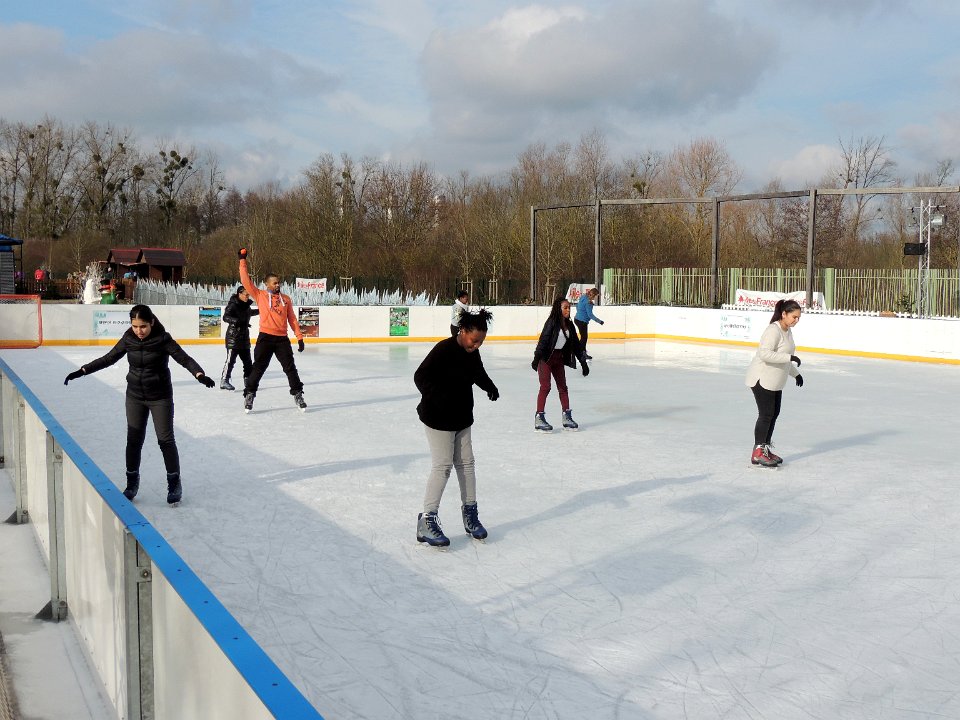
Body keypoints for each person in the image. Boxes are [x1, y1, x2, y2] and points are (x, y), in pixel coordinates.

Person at [63, 304, 216, 504]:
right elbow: (109, 358)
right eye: (135, 326)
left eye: (143, 326)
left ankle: (174, 483)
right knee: (134, 440)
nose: (139, 331)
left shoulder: (163, 339)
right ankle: (131, 483)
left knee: (165, 440)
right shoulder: (128, 338)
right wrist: (82, 371)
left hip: (160, 396)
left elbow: (184, 359)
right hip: (135, 396)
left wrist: (199, 374)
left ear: (151, 322)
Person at [414, 308, 499, 547]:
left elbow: (477, 373)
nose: (476, 346)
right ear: (462, 331)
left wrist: (489, 386)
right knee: (442, 466)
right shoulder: (443, 350)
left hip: (461, 417)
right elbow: (420, 376)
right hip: (438, 418)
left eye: (481, 342)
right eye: (474, 341)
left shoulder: (472, 353)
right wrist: (437, 398)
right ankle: (427, 519)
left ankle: (470, 514)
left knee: (467, 464)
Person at [238, 248, 306, 412]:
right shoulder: (260, 295)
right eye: (274, 283)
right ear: (267, 284)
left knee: (290, 368)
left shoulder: (286, 299)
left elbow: (292, 319)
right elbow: (245, 281)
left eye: (279, 282)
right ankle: (250, 394)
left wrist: (299, 337)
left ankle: (298, 394)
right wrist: (242, 260)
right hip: (266, 338)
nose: (278, 285)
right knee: (258, 368)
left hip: (282, 339)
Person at [744, 298, 803, 467]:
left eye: (798, 318)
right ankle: (758, 453)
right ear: (784, 314)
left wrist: (796, 374)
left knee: (773, 414)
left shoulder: (787, 331)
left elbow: (783, 359)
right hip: (762, 378)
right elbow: (764, 354)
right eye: (794, 317)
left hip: (775, 380)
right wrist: (789, 357)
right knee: (766, 415)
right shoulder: (773, 330)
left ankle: (764, 449)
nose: (796, 320)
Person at [532, 297, 590, 432]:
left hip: (558, 359)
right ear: (559, 309)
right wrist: (536, 358)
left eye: (569, 307)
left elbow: (576, 345)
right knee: (546, 387)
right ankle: (539, 418)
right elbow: (543, 340)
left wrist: (583, 362)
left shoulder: (569, 325)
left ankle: (567, 417)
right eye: (565, 308)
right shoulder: (552, 322)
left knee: (563, 387)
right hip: (546, 358)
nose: (568, 310)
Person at [220, 285, 259, 391]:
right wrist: (237, 321)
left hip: (244, 338)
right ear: (239, 294)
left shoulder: (246, 306)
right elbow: (225, 317)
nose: (247, 297)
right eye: (245, 294)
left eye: (248, 295)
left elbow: (250, 313)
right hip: (233, 337)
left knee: (248, 362)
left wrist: (261, 310)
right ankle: (224, 381)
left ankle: (248, 380)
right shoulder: (233, 305)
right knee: (230, 361)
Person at [573, 287, 604, 359]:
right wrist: (599, 321)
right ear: (593, 295)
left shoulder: (583, 297)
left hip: (577, 319)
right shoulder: (588, 303)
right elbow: (590, 315)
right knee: (584, 338)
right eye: (596, 296)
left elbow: (577, 306)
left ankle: (581, 351)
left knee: (583, 337)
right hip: (582, 321)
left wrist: (580, 312)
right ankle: (580, 353)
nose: (596, 298)